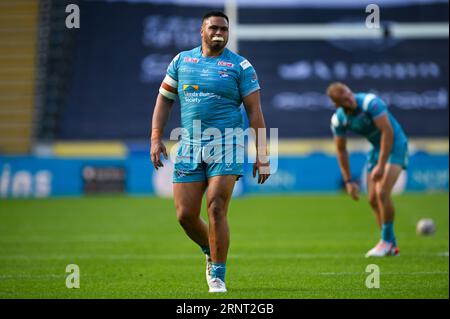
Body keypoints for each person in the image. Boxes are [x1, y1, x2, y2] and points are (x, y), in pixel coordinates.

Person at [150, 11, 270, 292]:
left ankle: (217, 274)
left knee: (216, 206)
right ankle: (209, 247)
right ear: (201, 30)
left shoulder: (241, 66)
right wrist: (156, 138)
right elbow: (164, 101)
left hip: (226, 144)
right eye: (214, 27)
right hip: (189, 146)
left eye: (224, 29)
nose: (219, 33)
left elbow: (255, 113)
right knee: (185, 216)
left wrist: (261, 154)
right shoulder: (181, 61)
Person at [327, 82, 408, 257]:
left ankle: (386, 242)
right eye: (345, 100)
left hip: (395, 144)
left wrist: (381, 164)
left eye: (349, 94)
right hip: (376, 149)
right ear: (337, 105)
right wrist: (348, 181)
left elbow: (387, 131)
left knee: (382, 193)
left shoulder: (370, 103)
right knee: (372, 199)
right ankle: (391, 245)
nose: (350, 100)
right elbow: (341, 149)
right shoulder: (339, 120)